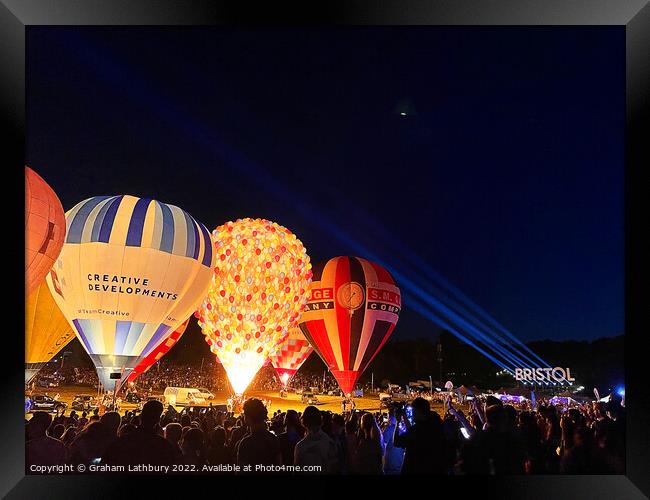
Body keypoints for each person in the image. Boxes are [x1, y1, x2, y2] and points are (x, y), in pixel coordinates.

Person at [102, 400, 175, 467]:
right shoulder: (164, 446)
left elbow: (104, 466)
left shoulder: (121, 442)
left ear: (140, 416)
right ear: (158, 419)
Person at [393, 397, 446, 474]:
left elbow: (396, 442)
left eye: (413, 411)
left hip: (415, 468)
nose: (412, 414)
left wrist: (397, 423)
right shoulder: (435, 425)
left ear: (419, 412)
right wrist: (404, 416)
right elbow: (412, 431)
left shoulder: (418, 430)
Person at [235, 398, 281, 473]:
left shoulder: (245, 443)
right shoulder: (273, 439)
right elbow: (278, 466)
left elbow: (240, 471)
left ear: (248, 418)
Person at [294, 406, 339, 474]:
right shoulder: (330, 442)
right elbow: (335, 467)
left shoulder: (300, 446)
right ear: (320, 421)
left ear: (304, 422)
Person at [382, 408, 405, 474]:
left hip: (390, 466)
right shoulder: (403, 429)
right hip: (399, 464)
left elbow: (382, 447)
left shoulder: (389, 429)